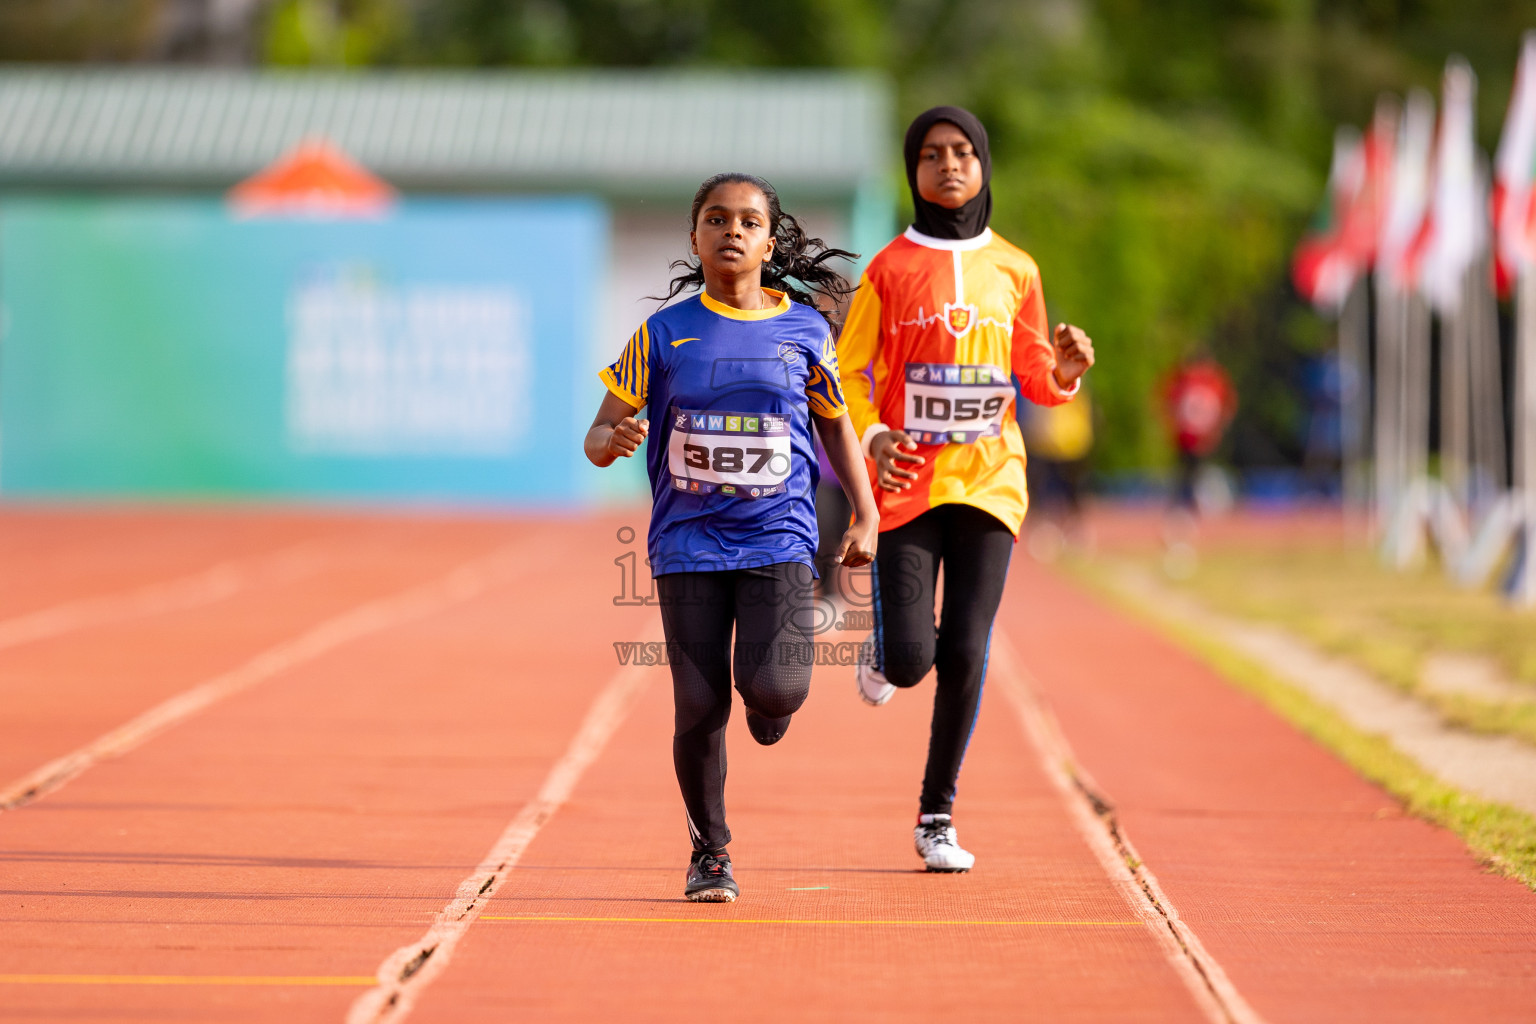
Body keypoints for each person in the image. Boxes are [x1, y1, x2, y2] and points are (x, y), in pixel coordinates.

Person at [585, 172, 880, 903]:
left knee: (776, 690)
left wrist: (868, 515)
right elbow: (596, 433)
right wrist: (610, 438)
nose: (732, 231)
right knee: (697, 704)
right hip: (686, 545)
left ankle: (767, 702)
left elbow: (836, 426)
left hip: (779, 539)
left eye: (749, 221)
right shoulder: (661, 334)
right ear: (695, 238)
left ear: (770, 241)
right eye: (716, 219)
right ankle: (709, 854)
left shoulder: (806, 331)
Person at [838, 107, 1095, 872]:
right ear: (911, 173)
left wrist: (1070, 371)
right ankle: (887, 650)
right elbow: (847, 372)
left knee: (968, 647)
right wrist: (876, 436)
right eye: (930, 155)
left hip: (991, 482)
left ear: (983, 165)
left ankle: (937, 814)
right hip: (909, 486)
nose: (948, 166)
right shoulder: (886, 269)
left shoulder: (1017, 269)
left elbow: (1038, 381)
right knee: (915, 659)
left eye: (962, 153)